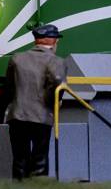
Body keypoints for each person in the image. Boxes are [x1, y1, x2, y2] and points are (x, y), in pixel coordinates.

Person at [5, 24, 66, 180]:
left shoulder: (17, 59)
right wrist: (53, 101)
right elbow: (58, 82)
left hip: (17, 115)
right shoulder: (56, 61)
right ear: (52, 41)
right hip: (42, 116)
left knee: (19, 159)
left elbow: (9, 87)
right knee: (40, 158)